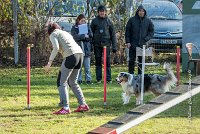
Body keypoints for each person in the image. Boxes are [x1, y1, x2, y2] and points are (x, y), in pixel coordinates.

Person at [45, 22, 89, 114]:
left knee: (61, 81)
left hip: (71, 56)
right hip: (80, 55)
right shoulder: (64, 32)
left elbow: (56, 48)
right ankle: (83, 105)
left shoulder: (53, 34)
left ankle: (65, 107)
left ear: (49, 30)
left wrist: (49, 62)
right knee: (73, 82)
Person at [90, 5, 117, 83]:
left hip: (106, 45)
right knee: (98, 62)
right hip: (97, 45)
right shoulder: (94, 21)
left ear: (105, 12)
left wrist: (114, 46)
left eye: (103, 11)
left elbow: (113, 35)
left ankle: (108, 79)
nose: (102, 13)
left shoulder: (109, 21)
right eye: (100, 11)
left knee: (107, 62)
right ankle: (99, 79)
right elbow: (91, 33)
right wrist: (91, 45)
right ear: (98, 12)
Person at [125, 4, 154, 74]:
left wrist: (146, 38)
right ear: (137, 12)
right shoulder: (131, 20)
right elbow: (127, 32)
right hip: (132, 44)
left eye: (143, 11)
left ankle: (141, 77)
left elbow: (151, 31)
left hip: (142, 45)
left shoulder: (148, 21)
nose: (141, 12)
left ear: (145, 12)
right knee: (131, 61)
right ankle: (130, 75)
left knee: (141, 62)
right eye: (140, 11)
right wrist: (128, 42)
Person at [71, 14, 93, 85]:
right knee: (79, 66)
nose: (83, 22)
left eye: (84, 21)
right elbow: (75, 37)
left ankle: (88, 79)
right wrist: (83, 36)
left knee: (87, 67)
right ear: (78, 20)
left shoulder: (87, 27)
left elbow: (90, 36)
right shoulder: (74, 28)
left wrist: (85, 37)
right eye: (82, 21)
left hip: (86, 49)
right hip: (78, 49)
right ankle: (79, 79)